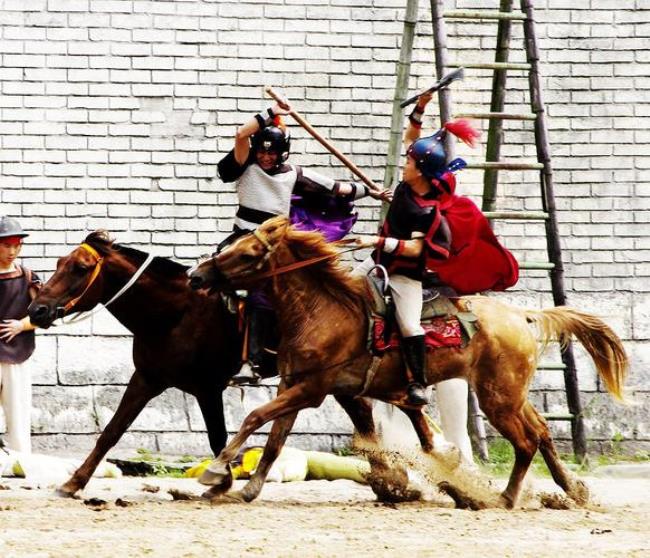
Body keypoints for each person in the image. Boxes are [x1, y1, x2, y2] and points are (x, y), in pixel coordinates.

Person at [216, 102, 391, 382]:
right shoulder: (244, 166)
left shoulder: (293, 174)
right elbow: (240, 135)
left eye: (271, 152)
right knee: (213, 276)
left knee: (269, 292)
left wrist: (371, 192)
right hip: (242, 240)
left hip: (275, 246)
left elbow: (337, 189)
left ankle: (260, 357)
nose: (264, 156)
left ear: (282, 152)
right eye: (261, 150)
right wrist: (269, 113)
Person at [0, 217, 41, 454]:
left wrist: (21, 326)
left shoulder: (27, 277)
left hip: (18, 354)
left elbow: (45, 314)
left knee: (18, 412)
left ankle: (21, 461)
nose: (12, 251)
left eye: (17, 245)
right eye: (7, 245)